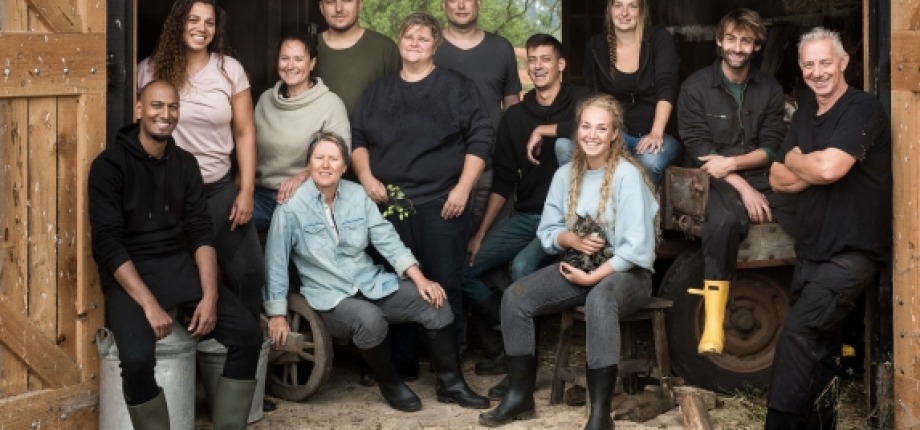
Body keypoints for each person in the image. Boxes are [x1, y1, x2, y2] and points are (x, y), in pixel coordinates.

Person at [263, 132, 489, 412]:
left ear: (344, 166)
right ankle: (390, 383)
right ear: (308, 164)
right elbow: (275, 261)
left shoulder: (357, 195)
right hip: (329, 298)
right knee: (369, 319)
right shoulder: (291, 207)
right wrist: (276, 313)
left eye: (333, 159)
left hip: (371, 284)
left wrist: (420, 279)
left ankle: (452, 384)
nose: (325, 164)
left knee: (435, 301)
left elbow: (388, 239)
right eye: (318, 158)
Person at [89, 80, 263, 430]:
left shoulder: (185, 165)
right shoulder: (109, 166)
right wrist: (149, 305)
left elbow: (200, 232)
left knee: (248, 333)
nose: (164, 114)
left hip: (177, 265)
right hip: (130, 274)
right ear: (138, 110)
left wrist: (211, 295)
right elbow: (108, 245)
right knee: (137, 359)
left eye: (172, 107)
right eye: (156, 106)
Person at [479, 93, 658, 429]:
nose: (592, 134)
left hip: (627, 275)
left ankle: (600, 414)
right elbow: (548, 231)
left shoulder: (626, 176)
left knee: (600, 299)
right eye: (586, 126)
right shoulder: (565, 176)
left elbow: (638, 248)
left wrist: (593, 280)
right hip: (580, 267)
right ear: (577, 131)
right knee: (515, 298)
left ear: (614, 134)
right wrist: (571, 239)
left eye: (601, 128)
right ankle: (520, 397)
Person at [137, 0, 269, 410]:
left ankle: (241, 376)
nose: (202, 28)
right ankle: (184, 381)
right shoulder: (150, 70)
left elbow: (245, 133)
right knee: (180, 283)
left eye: (209, 22)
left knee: (248, 273)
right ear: (179, 24)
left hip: (217, 190)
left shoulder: (230, 70)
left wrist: (245, 190)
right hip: (169, 198)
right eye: (194, 19)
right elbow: (137, 131)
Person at [351, 12, 493, 376]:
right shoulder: (378, 91)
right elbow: (358, 138)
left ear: (435, 45)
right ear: (399, 41)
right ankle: (402, 364)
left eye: (423, 38)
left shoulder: (457, 88)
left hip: (443, 201)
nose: (414, 43)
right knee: (393, 284)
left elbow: (481, 137)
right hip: (389, 203)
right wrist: (366, 177)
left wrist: (463, 189)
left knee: (445, 283)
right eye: (408, 36)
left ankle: (449, 368)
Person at [765, 28, 891, 429]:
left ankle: (779, 425)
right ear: (800, 69)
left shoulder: (861, 109)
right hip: (814, 248)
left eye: (824, 62)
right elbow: (776, 177)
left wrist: (806, 161)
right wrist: (813, 168)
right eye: (808, 64)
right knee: (821, 349)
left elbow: (829, 168)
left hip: (853, 253)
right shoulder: (805, 113)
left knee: (799, 334)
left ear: (842, 62)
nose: (817, 72)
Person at [461, 33, 591, 389]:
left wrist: (547, 130)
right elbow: (503, 181)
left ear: (561, 64)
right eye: (532, 60)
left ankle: (524, 371)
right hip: (529, 215)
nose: (538, 66)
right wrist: (481, 232)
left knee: (521, 266)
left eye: (546, 59)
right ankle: (508, 336)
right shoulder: (514, 116)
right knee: (465, 268)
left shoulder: (581, 101)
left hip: (569, 220)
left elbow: (604, 130)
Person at [676, 8, 794, 355]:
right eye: (731, 39)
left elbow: (772, 147)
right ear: (719, 41)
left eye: (746, 40)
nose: (737, 47)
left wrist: (739, 168)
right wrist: (743, 187)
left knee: (811, 208)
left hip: (757, 171)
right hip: (709, 175)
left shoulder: (769, 88)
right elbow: (700, 149)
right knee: (725, 220)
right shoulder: (695, 87)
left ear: (757, 45)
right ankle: (713, 322)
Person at [436, 0, 522, 228]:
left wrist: (515, 155)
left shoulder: (501, 48)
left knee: (490, 247)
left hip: (493, 165)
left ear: (479, 4)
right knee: (446, 243)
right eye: (454, 0)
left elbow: (513, 106)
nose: (461, 5)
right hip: (443, 168)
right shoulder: (430, 47)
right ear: (444, 5)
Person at [253, 33, 350, 232]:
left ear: (312, 63)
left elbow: (341, 158)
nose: (290, 65)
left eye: (298, 59)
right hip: (262, 196)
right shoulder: (265, 100)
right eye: (285, 58)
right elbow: (249, 149)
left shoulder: (330, 104)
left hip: (308, 194)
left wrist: (301, 177)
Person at [580, 0, 681, 184]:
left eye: (632, 6)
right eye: (618, 5)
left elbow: (666, 87)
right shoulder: (596, 46)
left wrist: (656, 133)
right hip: (619, 133)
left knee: (650, 161)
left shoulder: (658, 39)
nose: (624, 12)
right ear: (610, 9)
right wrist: (604, 135)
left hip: (660, 133)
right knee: (569, 148)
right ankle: (596, 208)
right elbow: (592, 97)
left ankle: (641, 209)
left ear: (642, 11)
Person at [313, 0, 400, 116]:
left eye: (347, 0)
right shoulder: (306, 48)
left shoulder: (385, 48)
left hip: (371, 134)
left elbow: (400, 104)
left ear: (360, 4)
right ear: (321, 8)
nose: (339, 8)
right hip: (317, 133)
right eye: (330, 2)